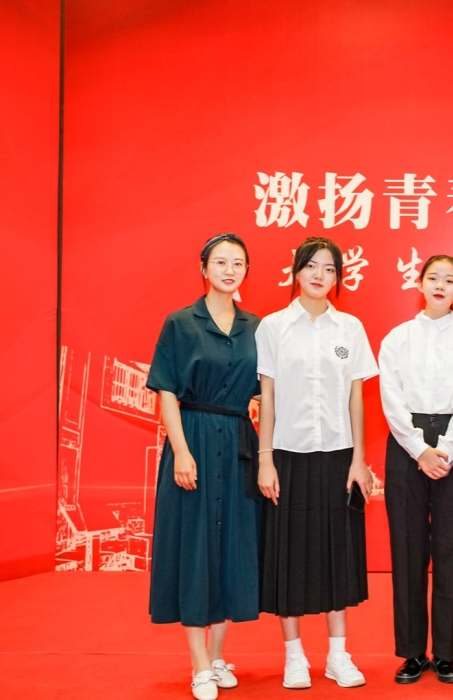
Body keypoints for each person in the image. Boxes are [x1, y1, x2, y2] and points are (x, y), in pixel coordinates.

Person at [255, 236, 378, 690]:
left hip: (338, 456)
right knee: (288, 553)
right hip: (287, 454)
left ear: (338, 277)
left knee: (336, 554)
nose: (319, 275)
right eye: (311, 266)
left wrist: (359, 460)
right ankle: (294, 656)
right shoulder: (273, 327)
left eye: (329, 268)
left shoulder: (350, 329)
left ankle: (338, 656)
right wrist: (266, 459)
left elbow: (356, 399)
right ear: (297, 271)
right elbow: (267, 397)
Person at [147, 233, 261, 700]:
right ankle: (198, 664)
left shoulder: (257, 327)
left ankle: (216, 656)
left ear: (246, 271)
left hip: (238, 444)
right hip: (192, 437)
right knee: (194, 548)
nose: (229, 270)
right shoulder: (180, 323)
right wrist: (181, 450)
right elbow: (166, 391)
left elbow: (272, 390)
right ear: (204, 268)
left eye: (238, 263)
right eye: (221, 262)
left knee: (232, 547)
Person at [379, 255, 453, 685]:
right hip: (406, 445)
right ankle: (411, 653)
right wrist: (419, 449)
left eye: (449, 280)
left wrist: (445, 450)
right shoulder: (397, 338)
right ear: (419, 284)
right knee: (406, 551)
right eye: (432, 278)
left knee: (449, 550)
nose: (440, 285)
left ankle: (445, 653)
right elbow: (391, 398)